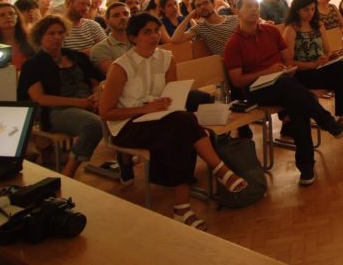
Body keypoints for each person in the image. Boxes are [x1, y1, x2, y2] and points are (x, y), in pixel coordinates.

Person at [100, 12, 247, 231]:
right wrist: (144, 109)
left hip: (162, 119)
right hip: (127, 125)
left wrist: (166, 102)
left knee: (181, 131)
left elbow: (172, 94)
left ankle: (183, 207)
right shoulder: (121, 66)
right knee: (183, 126)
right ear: (133, 38)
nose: (154, 36)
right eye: (146, 32)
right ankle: (218, 170)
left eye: (156, 31)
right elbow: (106, 112)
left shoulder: (167, 59)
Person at [223, 0, 343, 186]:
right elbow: (237, 80)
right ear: (237, 11)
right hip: (256, 89)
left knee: (296, 105)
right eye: (249, 6)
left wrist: (286, 67)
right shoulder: (234, 43)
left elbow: (287, 58)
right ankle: (327, 122)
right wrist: (266, 72)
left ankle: (306, 168)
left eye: (256, 6)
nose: (254, 9)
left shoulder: (270, 31)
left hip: (281, 82)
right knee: (290, 89)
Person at [281, 0, 343, 149]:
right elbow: (289, 63)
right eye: (305, 10)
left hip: (320, 69)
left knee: (342, 69)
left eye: (312, 9)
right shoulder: (291, 29)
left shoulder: (318, 25)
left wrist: (331, 56)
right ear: (297, 10)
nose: (310, 13)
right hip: (302, 74)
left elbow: (327, 51)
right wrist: (313, 64)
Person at [17, 15, 103, 177]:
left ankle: (125, 163)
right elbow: (40, 99)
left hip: (87, 104)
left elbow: (96, 81)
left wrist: (96, 95)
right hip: (53, 112)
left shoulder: (76, 57)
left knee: (125, 110)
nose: (57, 37)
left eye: (61, 32)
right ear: (40, 37)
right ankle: (69, 172)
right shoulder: (33, 65)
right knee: (94, 124)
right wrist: (79, 103)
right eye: (51, 34)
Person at [170, 0, 238, 55]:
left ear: (213, 4)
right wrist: (189, 17)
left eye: (206, 3)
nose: (202, 7)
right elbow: (175, 39)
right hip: (228, 62)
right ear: (196, 10)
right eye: (198, 6)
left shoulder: (235, 19)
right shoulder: (200, 28)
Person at [90, 2, 133, 75]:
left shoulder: (141, 42)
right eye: (116, 15)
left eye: (126, 14)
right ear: (107, 22)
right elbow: (116, 75)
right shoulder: (100, 48)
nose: (123, 17)